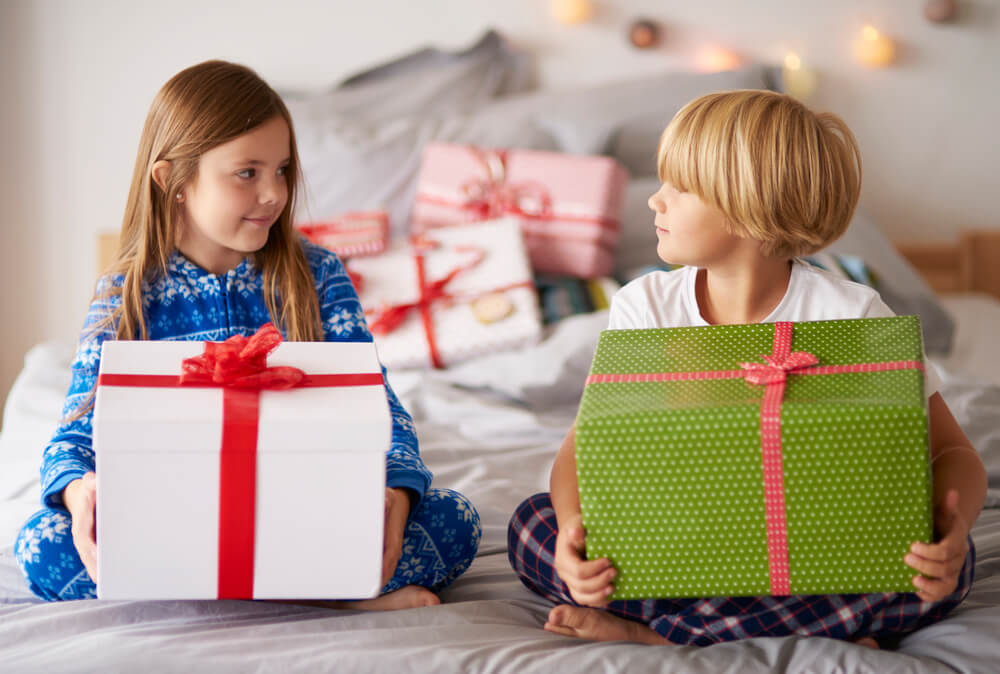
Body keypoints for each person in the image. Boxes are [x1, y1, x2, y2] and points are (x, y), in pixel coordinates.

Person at [507, 90, 987, 646]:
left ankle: (663, 634)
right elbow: (582, 444)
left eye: (678, 188)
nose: (654, 202)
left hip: (819, 551)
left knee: (951, 566)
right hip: (677, 543)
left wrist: (952, 530)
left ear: (748, 206)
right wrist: (572, 531)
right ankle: (800, 632)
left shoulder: (851, 313)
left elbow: (952, 452)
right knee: (533, 526)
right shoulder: (645, 308)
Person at [14, 60, 480, 609]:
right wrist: (80, 490)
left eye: (282, 170)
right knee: (41, 546)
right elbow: (73, 437)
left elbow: (381, 410)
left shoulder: (319, 274)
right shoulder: (125, 294)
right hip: (175, 517)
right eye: (247, 173)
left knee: (457, 519)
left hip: (309, 509)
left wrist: (396, 497)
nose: (273, 194)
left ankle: (240, 586)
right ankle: (324, 593)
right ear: (173, 181)